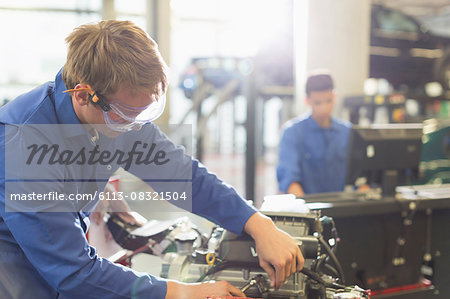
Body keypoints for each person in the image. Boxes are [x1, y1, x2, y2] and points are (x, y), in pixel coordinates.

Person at [0, 20, 304, 299]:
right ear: (83, 95)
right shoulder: (24, 147)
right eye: (129, 115)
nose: (137, 126)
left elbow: (183, 176)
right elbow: (75, 273)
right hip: (14, 269)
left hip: (62, 257)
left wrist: (258, 224)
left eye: (147, 113)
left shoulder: (116, 114)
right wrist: (182, 293)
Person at [277, 70, 352, 197]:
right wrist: (306, 210)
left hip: (343, 207)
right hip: (307, 210)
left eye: (328, 101)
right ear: (307, 100)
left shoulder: (347, 132)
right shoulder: (292, 133)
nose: (324, 108)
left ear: (335, 97)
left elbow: (359, 176)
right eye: (318, 103)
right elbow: (289, 179)